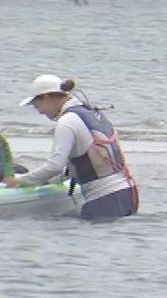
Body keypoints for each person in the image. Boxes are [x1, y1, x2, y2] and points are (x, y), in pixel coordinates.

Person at [4, 74, 139, 219]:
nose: (39, 111)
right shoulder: (92, 113)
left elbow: (54, 166)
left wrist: (20, 181)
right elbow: (75, 168)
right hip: (128, 193)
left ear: (47, 98)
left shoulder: (66, 121)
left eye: (37, 105)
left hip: (105, 199)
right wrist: (45, 181)